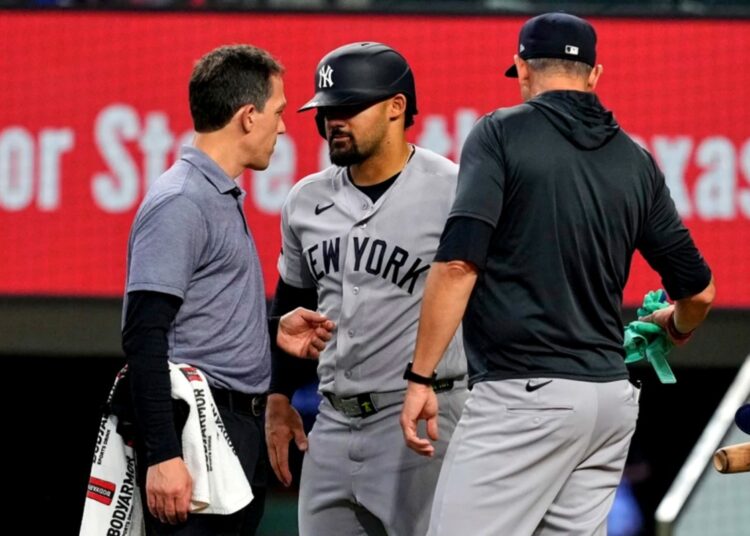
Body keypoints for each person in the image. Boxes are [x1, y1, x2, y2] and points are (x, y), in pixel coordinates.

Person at [400, 12, 716, 536]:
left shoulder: (500, 133)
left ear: (522, 69)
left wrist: (420, 377)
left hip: (525, 395)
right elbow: (700, 292)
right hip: (609, 403)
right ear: (595, 75)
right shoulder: (635, 159)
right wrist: (676, 326)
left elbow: (458, 264)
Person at [121, 44, 334, 536]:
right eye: (278, 113)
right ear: (247, 116)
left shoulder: (212, 194)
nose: (283, 128)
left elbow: (195, 317)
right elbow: (144, 336)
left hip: (231, 431)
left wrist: (271, 329)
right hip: (195, 435)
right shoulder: (181, 201)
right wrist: (164, 455)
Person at [264, 42, 468, 536]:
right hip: (331, 424)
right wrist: (279, 395)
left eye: (350, 108)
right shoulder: (305, 199)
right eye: (328, 110)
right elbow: (295, 301)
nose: (334, 120)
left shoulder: (455, 189)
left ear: (397, 107)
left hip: (423, 419)